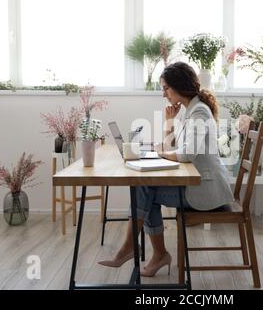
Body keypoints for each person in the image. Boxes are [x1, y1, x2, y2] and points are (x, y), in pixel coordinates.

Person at [98, 61, 234, 277]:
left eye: (165, 88)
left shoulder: (199, 112)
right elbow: (173, 147)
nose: (163, 94)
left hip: (206, 191)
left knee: (144, 189)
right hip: (199, 185)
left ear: (179, 86)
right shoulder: (191, 110)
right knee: (145, 188)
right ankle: (149, 253)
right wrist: (170, 121)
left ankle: (137, 250)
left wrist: (161, 153)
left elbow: (186, 154)